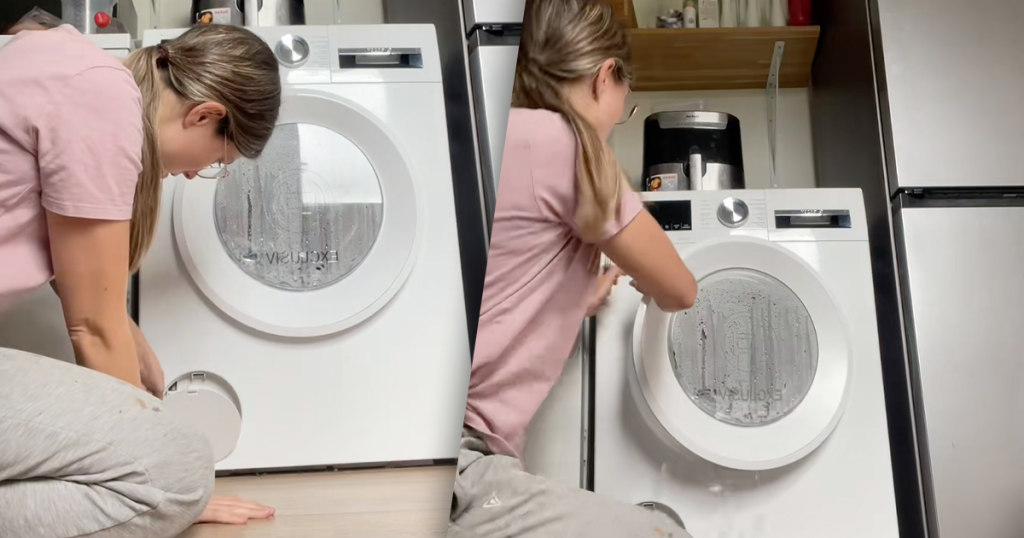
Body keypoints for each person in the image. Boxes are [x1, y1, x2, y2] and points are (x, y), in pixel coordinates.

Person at [0, 21, 283, 537]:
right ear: (204, 115)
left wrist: (135, 343)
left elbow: (74, 271)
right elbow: (91, 325)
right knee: (178, 472)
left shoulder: (69, 60)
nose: (196, 174)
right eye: (218, 161)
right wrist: (158, 460)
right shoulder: (102, 102)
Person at [448, 1, 700, 537]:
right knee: (665, 531)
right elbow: (681, 289)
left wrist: (576, 297)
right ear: (605, 75)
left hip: (442, 449)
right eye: (624, 107)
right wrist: (650, 284)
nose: (613, 125)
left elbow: (502, 282)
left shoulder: (496, 130)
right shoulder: (569, 146)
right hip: (465, 465)